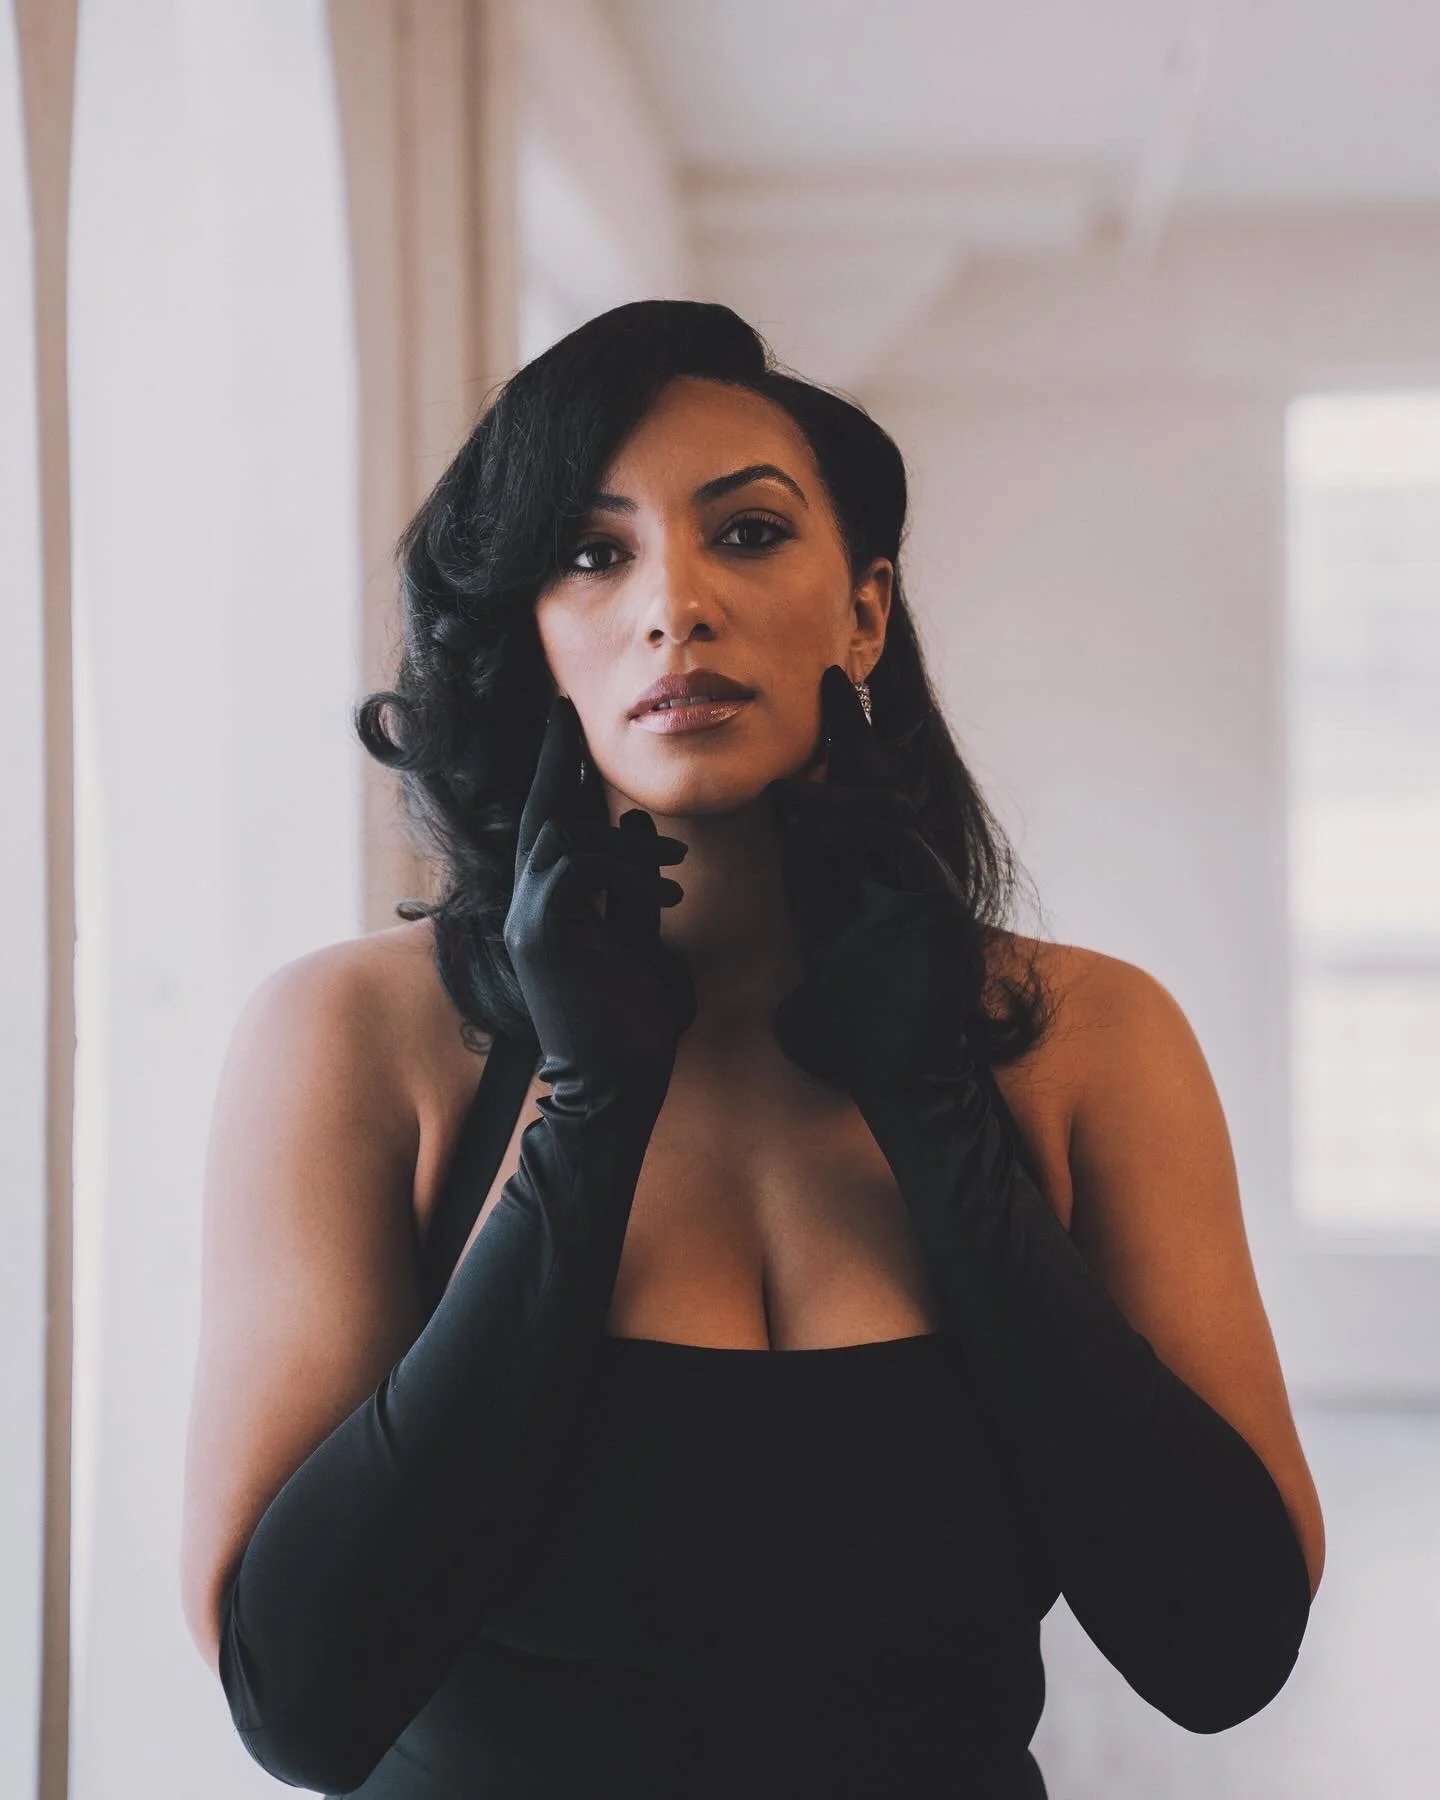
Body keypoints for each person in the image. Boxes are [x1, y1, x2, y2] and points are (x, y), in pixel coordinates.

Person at [179, 299, 1324, 1798]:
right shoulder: (352, 1040)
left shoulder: (1085, 1041)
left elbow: (1223, 1648)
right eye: (596, 555)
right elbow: (300, 1703)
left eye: (749, 534)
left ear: (864, 610)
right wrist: (585, 1116)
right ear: (539, 634)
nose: (675, 606)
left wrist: (934, 1109)